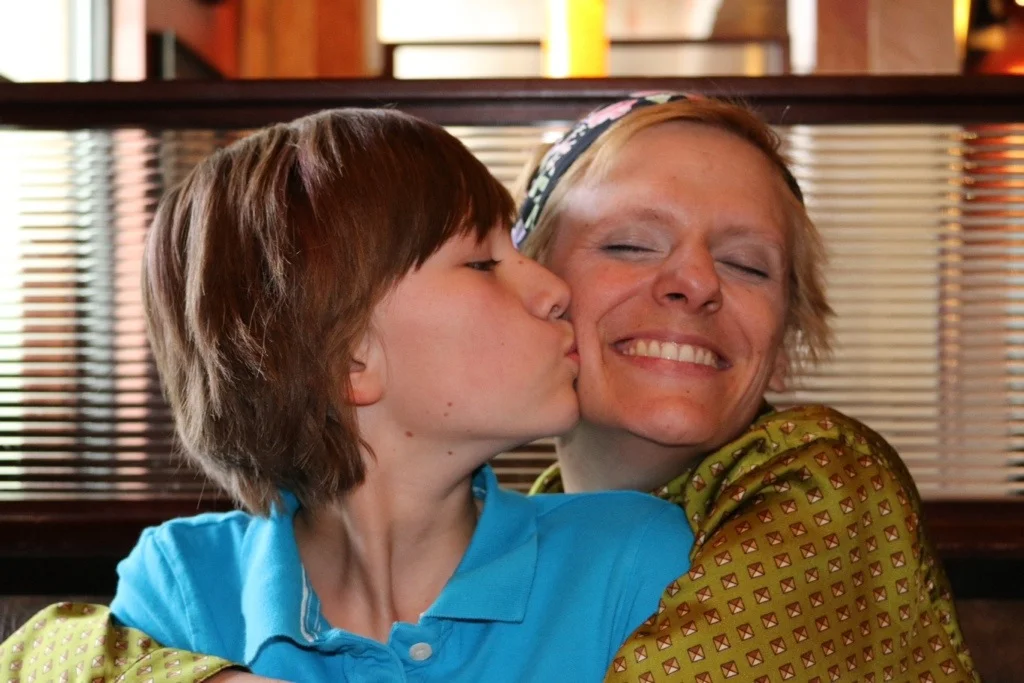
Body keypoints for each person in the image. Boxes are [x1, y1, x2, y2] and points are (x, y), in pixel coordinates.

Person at [0, 107, 695, 682]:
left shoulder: (632, 560)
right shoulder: (186, 583)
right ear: (352, 358)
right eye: (484, 262)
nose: (554, 290)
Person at [514, 92, 979, 683]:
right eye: (629, 244)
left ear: (781, 347)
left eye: (746, 265)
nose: (697, 280)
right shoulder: (520, 522)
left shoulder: (823, 479)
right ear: (531, 298)